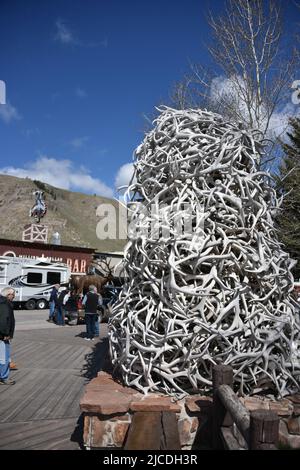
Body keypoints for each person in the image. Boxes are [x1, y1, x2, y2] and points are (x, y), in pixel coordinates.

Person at [0, 287, 16, 385]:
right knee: (4, 357)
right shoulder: (4, 304)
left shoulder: (3, 302)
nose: (14, 296)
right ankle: (3, 377)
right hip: (2, 336)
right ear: (8, 294)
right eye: (13, 294)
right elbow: (3, 321)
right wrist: (5, 334)